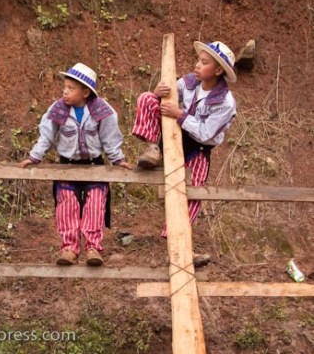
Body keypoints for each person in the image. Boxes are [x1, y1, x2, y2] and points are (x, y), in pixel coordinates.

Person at [132, 41, 237, 265]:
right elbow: (165, 99)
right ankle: (152, 148)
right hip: (171, 138)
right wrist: (159, 92)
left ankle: (181, 246)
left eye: (204, 62)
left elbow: (207, 133)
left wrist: (179, 114)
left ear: (218, 70)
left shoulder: (225, 102)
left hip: (198, 148)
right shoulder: (188, 82)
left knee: (191, 196)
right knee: (146, 99)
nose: (197, 65)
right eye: (198, 60)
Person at [20, 63, 132, 266]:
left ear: (85, 92)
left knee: (96, 204)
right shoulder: (58, 109)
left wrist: (118, 159)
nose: (65, 92)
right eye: (64, 87)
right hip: (67, 166)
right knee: (67, 206)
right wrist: (35, 156)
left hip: (95, 166)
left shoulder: (102, 110)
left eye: (71, 88)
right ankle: (70, 248)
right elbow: (46, 136)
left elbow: (110, 138)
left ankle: (92, 248)